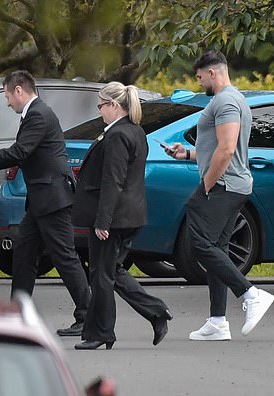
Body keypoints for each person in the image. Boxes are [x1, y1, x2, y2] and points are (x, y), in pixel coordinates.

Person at [0, 70, 90, 336]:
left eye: (7, 96)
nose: (7, 102)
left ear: (19, 91)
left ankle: (88, 316)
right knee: (23, 255)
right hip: (42, 199)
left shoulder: (38, 114)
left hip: (53, 199)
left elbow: (21, 151)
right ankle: (16, 314)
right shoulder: (34, 114)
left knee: (65, 258)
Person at [164, 50, 274, 341]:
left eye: (201, 78)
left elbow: (226, 150)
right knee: (218, 248)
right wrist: (187, 153)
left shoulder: (225, 100)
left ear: (213, 73)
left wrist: (206, 187)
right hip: (233, 183)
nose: (200, 84)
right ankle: (217, 321)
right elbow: (221, 147)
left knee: (199, 243)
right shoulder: (234, 99)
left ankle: (250, 294)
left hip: (224, 185)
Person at [72, 81, 173, 350]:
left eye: (101, 106)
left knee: (102, 276)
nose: (99, 112)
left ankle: (102, 333)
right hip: (130, 214)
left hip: (115, 217)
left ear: (114, 106)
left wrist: (102, 220)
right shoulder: (135, 131)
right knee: (110, 271)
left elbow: (113, 180)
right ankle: (155, 312)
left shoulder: (117, 135)